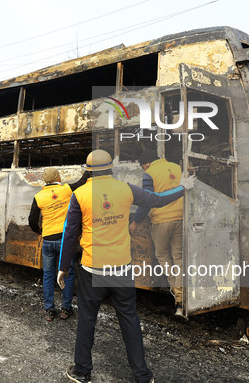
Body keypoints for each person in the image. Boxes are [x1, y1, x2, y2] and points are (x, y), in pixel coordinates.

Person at [57, 150, 193, 383]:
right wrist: (183, 187)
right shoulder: (126, 189)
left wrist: (63, 267)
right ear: (111, 168)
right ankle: (142, 375)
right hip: (122, 269)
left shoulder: (79, 194)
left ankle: (82, 371)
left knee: (87, 320)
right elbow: (158, 200)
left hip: (92, 271)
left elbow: (70, 234)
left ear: (88, 171)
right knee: (129, 319)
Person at [28, 167, 89, 321]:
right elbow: (82, 182)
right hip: (65, 241)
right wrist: (89, 168)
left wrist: (39, 231)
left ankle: (49, 310)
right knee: (67, 274)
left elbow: (32, 221)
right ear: (58, 177)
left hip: (48, 240)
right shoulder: (66, 190)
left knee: (48, 275)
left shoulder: (39, 196)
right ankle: (66, 310)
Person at [129, 149, 185, 316]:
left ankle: (176, 291)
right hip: (181, 218)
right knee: (179, 257)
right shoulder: (176, 167)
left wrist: (135, 221)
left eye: (143, 167)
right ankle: (181, 298)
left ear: (146, 164)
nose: (144, 170)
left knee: (161, 254)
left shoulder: (150, 173)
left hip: (161, 221)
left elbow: (146, 202)